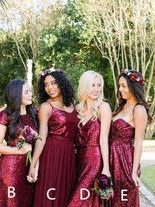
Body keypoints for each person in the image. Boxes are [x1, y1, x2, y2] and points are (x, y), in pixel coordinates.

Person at [28, 68, 79, 207]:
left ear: (62, 83)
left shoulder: (74, 105)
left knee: (67, 193)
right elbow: (41, 136)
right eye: (46, 84)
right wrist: (33, 164)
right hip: (52, 154)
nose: (49, 87)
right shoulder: (46, 107)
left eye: (53, 83)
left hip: (69, 155)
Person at [68, 70, 112, 207]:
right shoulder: (77, 109)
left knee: (76, 201)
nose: (97, 89)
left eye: (99, 85)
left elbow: (104, 139)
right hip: (78, 161)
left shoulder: (104, 107)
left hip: (95, 160)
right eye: (93, 85)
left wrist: (106, 167)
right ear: (85, 86)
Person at [0, 79, 38, 207]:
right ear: (16, 94)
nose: (30, 94)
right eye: (27, 92)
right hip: (10, 171)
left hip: (28, 170)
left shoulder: (33, 114)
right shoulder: (5, 115)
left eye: (30, 91)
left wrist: (34, 167)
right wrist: (20, 150)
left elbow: (37, 145)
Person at [109, 69, 150, 207]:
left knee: (123, 200)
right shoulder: (121, 106)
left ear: (133, 87)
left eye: (123, 86)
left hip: (125, 160)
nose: (120, 89)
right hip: (110, 157)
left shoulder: (139, 109)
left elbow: (138, 143)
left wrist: (133, 172)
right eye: (119, 85)